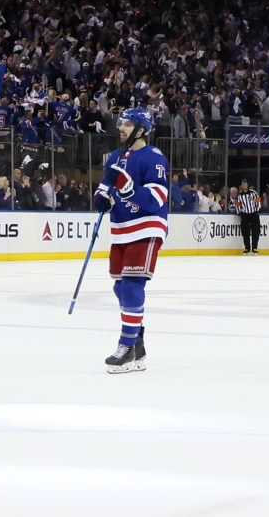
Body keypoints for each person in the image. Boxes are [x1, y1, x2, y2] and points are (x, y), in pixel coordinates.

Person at [97, 106, 169, 373]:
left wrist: (128, 189)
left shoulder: (154, 157)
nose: (121, 128)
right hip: (122, 227)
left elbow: (156, 199)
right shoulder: (115, 156)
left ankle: (126, 346)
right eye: (121, 123)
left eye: (127, 124)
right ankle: (137, 344)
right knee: (120, 288)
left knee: (131, 286)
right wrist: (100, 200)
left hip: (147, 227)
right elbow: (103, 188)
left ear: (141, 129)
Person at [236, 181, 263, 255]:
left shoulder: (253, 192)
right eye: (242, 184)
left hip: (254, 214)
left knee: (256, 231)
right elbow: (238, 205)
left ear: (247, 185)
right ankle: (247, 248)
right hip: (244, 215)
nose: (244, 185)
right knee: (245, 232)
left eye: (245, 184)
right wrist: (239, 214)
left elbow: (258, 200)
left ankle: (254, 248)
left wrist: (257, 210)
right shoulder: (240, 195)